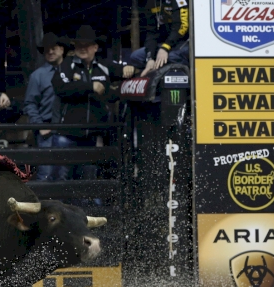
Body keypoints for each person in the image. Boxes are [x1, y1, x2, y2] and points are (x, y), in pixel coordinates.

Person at [51, 25, 134, 182]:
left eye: (87, 45)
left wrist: (130, 68)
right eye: (79, 45)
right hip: (67, 135)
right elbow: (60, 87)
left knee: (88, 180)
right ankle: (60, 207)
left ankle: (85, 207)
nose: (83, 48)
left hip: (91, 137)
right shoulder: (67, 65)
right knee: (61, 179)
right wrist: (90, 86)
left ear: (95, 47)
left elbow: (126, 71)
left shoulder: (104, 66)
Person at [23, 33, 74, 181]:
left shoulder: (73, 72)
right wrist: (40, 126)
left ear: (62, 50)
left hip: (68, 129)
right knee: (46, 174)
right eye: (47, 50)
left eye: (54, 48)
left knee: (65, 175)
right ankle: (45, 204)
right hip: (47, 130)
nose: (50, 52)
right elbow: (30, 103)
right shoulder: (38, 76)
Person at [129, 0, 189, 76]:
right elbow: (151, 33)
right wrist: (150, 58)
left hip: (183, 43)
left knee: (172, 56)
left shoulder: (179, 1)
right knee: (136, 56)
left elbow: (182, 27)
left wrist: (165, 47)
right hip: (163, 45)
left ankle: (166, 68)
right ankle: (156, 68)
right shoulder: (151, 3)